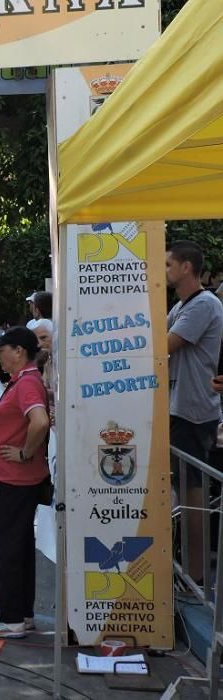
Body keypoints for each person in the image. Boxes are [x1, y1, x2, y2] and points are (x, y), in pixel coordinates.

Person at [0, 327, 50, 638]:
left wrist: (25, 453)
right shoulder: (22, 382)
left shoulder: (27, 382)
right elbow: (22, 418)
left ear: (19, 351)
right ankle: (22, 614)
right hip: (17, 479)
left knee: (4, 545)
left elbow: (40, 421)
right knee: (19, 546)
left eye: (2, 349)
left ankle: (11, 618)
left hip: (17, 479)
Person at [166, 240, 223, 580]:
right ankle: (190, 569)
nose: (165, 271)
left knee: (193, 494)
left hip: (194, 411)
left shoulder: (203, 305)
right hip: (181, 408)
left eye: (169, 265)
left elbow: (165, 343)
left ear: (187, 267)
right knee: (184, 491)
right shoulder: (183, 305)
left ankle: (197, 574)